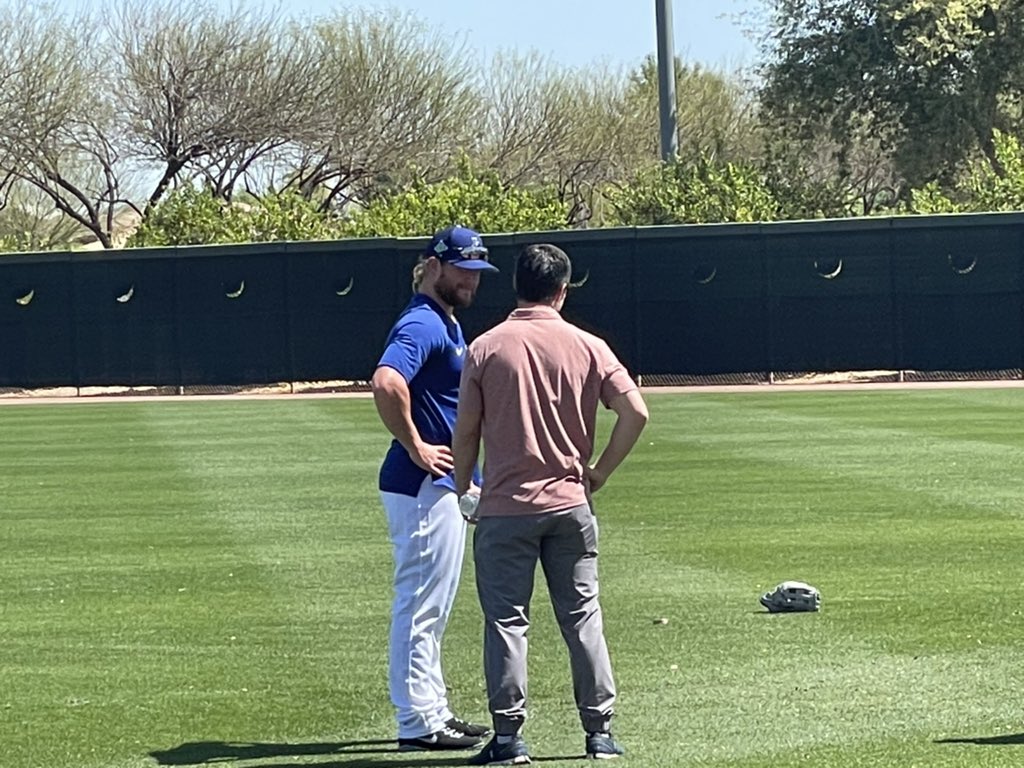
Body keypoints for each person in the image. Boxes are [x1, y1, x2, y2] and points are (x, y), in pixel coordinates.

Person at [453, 243, 649, 765]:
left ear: (515, 285)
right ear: (563, 290)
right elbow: (635, 413)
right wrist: (600, 471)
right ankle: (599, 732)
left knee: (506, 621)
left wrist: (461, 488)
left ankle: (510, 738)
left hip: (504, 506)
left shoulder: (486, 347)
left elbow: (466, 429)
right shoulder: (588, 345)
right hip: (568, 503)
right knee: (583, 618)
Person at [371, 225, 497, 752]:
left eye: (477, 272)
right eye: (463, 270)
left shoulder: (442, 320)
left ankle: (433, 709)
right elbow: (386, 381)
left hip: (439, 483)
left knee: (434, 605)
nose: (471, 280)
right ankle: (417, 721)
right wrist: (418, 446)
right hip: (422, 483)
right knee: (422, 603)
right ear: (436, 266)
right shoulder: (423, 322)